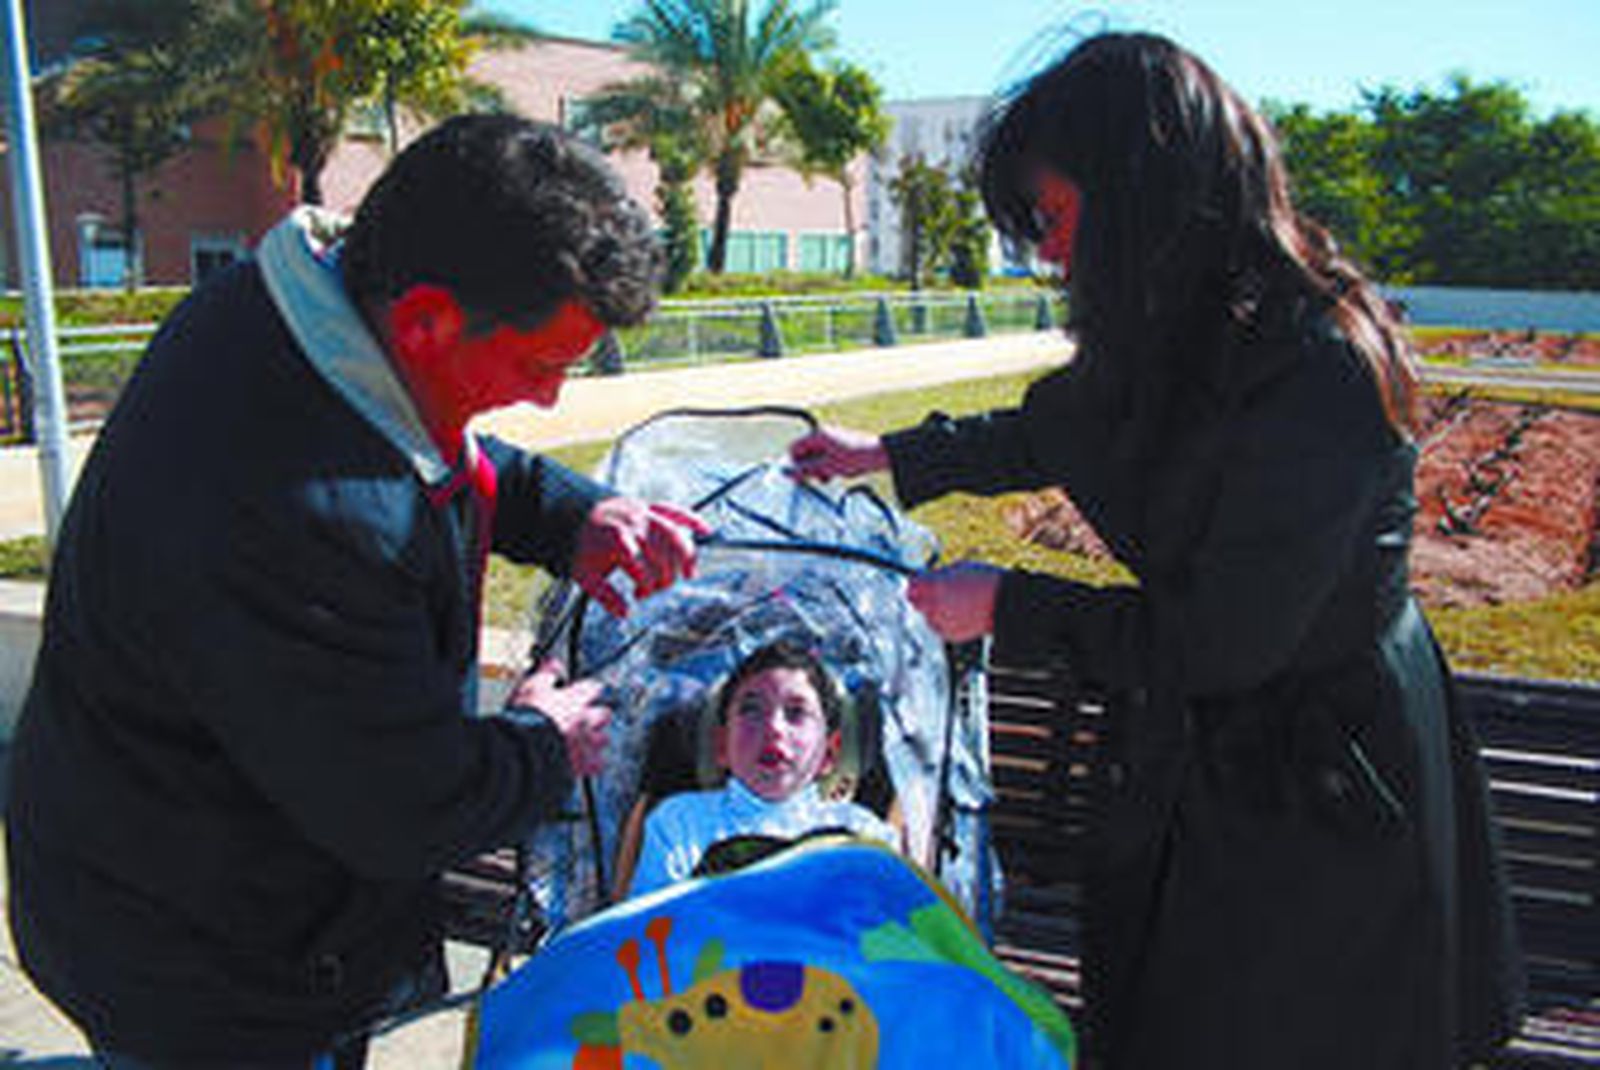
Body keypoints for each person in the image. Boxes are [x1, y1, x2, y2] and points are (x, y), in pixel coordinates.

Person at [789, 32, 1522, 1070]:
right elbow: (1060, 427)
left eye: (1053, 217)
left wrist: (1006, 602)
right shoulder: (1184, 323)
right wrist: (888, 451)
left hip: (1320, 780)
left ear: (1143, 193)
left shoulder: (1318, 366)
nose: (1046, 252)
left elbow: (1220, 640)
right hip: (1208, 757)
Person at [5, 115, 709, 1067]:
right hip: (206, 964)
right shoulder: (300, 516)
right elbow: (401, 806)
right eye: (543, 364)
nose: (550, 399)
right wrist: (543, 746)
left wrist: (566, 513)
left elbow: (420, 445)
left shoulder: (286, 304)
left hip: (137, 864)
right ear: (425, 319)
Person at [624, 640, 897, 897]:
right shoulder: (680, 824)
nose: (773, 729)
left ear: (829, 753)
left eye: (796, 713)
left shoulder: (864, 837)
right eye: (752, 710)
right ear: (721, 746)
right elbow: (650, 933)